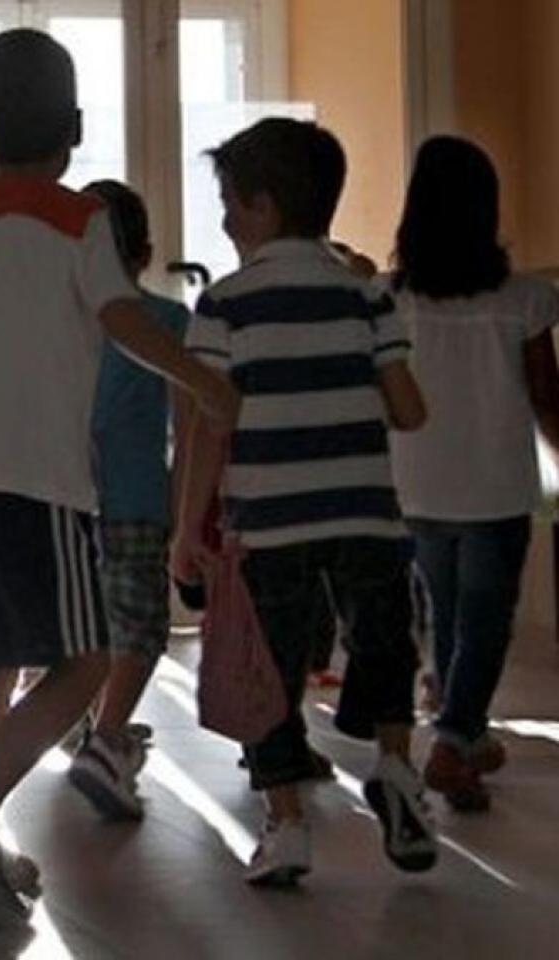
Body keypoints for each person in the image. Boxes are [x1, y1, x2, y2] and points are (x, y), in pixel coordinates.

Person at [0, 31, 237, 934]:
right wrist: (199, 378)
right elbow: (121, 315)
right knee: (87, 658)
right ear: (76, 127)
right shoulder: (75, 218)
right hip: (32, 481)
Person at [173, 117, 435, 888]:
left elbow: (207, 430)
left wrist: (188, 530)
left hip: (268, 521)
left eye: (227, 200)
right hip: (365, 513)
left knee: (269, 675)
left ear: (260, 206)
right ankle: (393, 770)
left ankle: (286, 825)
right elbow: (410, 410)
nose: (222, 218)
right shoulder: (365, 296)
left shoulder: (226, 305)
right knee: (387, 645)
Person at [388, 135, 559, 811]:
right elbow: (547, 398)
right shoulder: (526, 300)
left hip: (416, 480)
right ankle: (454, 741)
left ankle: (467, 728)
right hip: (494, 486)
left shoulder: (390, 297)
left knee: (447, 610)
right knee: (485, 620)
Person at [64, 180, 190, 822]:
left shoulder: (57, 324)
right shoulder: (167, 322)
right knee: (137, 625)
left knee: (81, 624)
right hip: (138, 495)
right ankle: (108, 737)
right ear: (142, 252)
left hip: (66, 497)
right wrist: (185, 508)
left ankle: (89, 728)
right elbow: (189, 426)